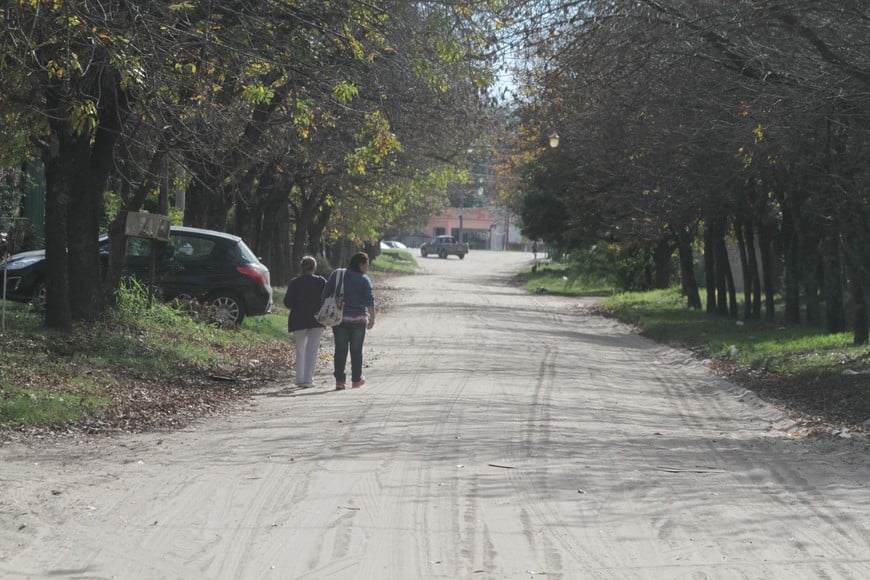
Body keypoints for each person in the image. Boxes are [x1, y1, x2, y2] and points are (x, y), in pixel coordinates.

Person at [322, 251, 376, 390]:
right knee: (356, 350)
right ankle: (356, 380)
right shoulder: (364, 280)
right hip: (358, 320)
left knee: (340, 349)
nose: (367, 267)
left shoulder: (337, 274)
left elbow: (325, 293)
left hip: (339, 319)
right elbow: (369, 301)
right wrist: (372, 318)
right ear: (361, 264)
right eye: (367, 264)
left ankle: (340, 381)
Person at [283, 256, 327, 388]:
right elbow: (327, 298)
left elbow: (287, 302)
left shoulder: (295, 282)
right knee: (312, 349)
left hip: (298, 319)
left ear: (301, 268)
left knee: (300, 349)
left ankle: (299, 379)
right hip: (317, 319)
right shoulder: (321, 282)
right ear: (315, 268)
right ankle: (308, 379)